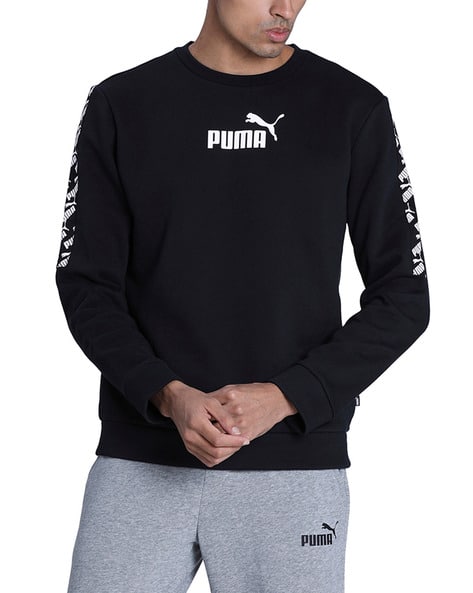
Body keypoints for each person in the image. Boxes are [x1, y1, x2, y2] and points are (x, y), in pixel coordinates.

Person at [55, 1, 430, 592]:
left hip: (294, 468)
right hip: (140, 461)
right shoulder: (124, 105)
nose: (286, 8)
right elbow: (86, 283)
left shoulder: (350, 107)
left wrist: (286, 396)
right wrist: (167, 394)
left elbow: (404, 294)